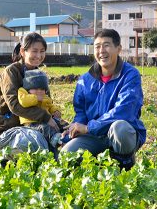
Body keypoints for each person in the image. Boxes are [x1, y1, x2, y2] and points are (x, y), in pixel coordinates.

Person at [61, 29, 146, 170]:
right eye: (97, 46)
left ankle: (124, 166)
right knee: (67, 156)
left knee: (121, 128)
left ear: (118, 49)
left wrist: (88, 127)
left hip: (118, 135)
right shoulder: (85, 80)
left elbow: (125, 111)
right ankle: (99, 163)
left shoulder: (130, 75)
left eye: (106, 45)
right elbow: (80, 112)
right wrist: (75, 128)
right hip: (93, 135)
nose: (101, 51)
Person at [0, 32, 61, 156]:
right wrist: (46, 118)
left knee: (62, 131)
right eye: (34, 51)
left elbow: (46, 102)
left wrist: (55, 116)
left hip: (32, 126)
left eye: (42, 51)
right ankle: (8, 157)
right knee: (35, 143)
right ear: (23, 51)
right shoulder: (11, 72)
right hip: (5, 131)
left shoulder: (40, 75)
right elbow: (14, 106)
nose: (39, 55)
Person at [18, 69, 68, 148]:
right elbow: (23, 101)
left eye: (42, 89)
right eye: (36, 89)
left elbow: (50, 105)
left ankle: (68, 134)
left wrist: (55, 111)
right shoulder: (23, 92)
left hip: (47, 119)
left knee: (61, 123)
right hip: (32, 123)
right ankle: (55, 139)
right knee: (44, 128)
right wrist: (36, 98)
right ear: (28, 87)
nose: (39, 91)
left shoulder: (44, 97)